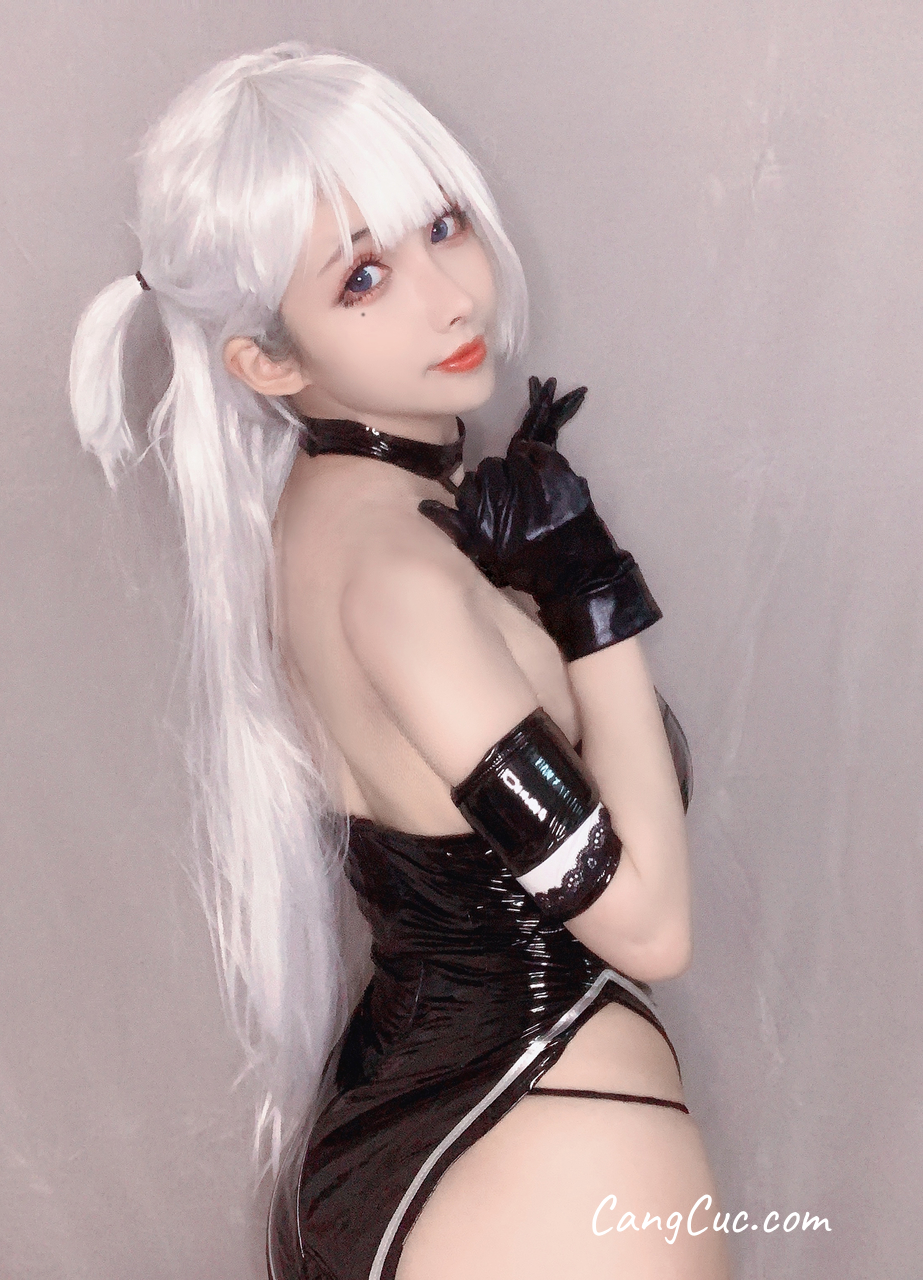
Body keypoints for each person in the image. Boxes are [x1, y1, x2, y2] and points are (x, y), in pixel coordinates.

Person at [70, 43, 729, 1280]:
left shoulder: (328, 513)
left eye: (445, 224)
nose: (451, 297)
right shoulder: (398, 574)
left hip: (437, 1134)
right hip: (552, 1142)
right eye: (364, 275)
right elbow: (647, 921)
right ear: (269, 358)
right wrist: (592, 595)